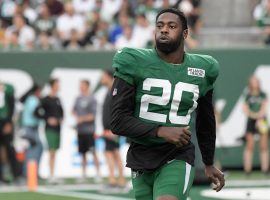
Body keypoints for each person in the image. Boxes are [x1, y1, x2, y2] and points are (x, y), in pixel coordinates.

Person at [110, 8, 225, 200]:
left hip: (177, 155)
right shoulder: (133, 61)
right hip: (141, 155)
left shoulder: (203, 69)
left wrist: (208, 162)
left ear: (185, 33)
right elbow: (117, 120)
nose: (164, 30)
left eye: (172, 26)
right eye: (160, 26)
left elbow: (206, 120)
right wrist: (160, 130)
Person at [35, 78, 63, 183]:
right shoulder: (45, 99)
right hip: (49, 129)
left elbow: (61, 112)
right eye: (57, 84)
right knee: (51, 151)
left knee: (54, 151)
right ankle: (50, 175)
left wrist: (60, 119)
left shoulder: (57, 99)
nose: (59, 86)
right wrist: (48, 119)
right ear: (52, 85)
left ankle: (53, 174)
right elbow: (37, 112)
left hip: (58, 129)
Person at [72, 80, 101, 182]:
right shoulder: (78, 98)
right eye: (80, 85)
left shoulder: (92, 99)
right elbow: (73, 110)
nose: (81, 87)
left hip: (89, 130)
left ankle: (98, 174)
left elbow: (92, 116)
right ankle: (83, 174)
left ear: (87, 86)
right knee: (82, 153)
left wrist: (82, 119)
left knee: (93, 152)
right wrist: (75, 117)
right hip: (80, 131)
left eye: (82, 85)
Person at [101, 70, 125, 187]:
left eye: (103, 76)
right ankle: (115, 179)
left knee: (113, 153)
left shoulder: (114, 91)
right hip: (108, 129)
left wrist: (113, 129)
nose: (102, 78)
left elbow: (118, 111)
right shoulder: (109, 91)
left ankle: (118, 180)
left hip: (113, 129)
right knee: (111, 153)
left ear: (109, 77)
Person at [243, 76, 268, 175]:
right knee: (250, 145)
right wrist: (253, 116)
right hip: (251, 121)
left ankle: (265, 169)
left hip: (262, 121)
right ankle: (247, 170)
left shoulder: (263, 94)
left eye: (256, 81)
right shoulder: (248, 96)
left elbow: (264, 107)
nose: (255, 83)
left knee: (264, 145)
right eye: (253, 81)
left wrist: (259, 116)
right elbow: (245, 108)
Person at [0, 81, 21, 184]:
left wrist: (9, 123)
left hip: (5, 123)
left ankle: (16, 176)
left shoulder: (7, 90)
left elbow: (12, 106)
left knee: (10, 149)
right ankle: (2, 178)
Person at [21, 84, 43, 177]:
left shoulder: (29, 99)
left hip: (29, 127)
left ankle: (31, 172)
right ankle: (30, 173)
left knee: (35, 148)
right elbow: (35, 113)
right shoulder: (33, 100)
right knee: (34, 149)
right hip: (30, 128)